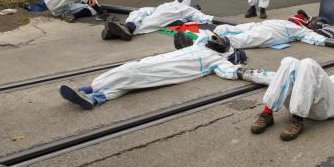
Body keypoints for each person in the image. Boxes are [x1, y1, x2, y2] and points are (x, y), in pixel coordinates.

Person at [59, 34, 271, 109]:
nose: (213, 40)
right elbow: (192, 35)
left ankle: (87, 89)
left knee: (128, 72)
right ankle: (94, 99)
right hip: (157, 63)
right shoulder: (200, 46)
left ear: (225, 50)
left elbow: (232, 73)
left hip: (164, 72)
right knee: (129, 82)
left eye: (218, 41)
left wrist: (251, 73)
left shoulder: (217, 61)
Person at [250, 58, 334, 141]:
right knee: (290, 61)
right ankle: (267, 113)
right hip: (305, 101)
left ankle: (297, 120)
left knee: (308, 64)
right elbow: (284, 78)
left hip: (325, 108)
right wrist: (248, 74)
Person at [100, 0, 211, 40]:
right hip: (160, 11)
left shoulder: (188, 10)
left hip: (162, 12)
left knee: (148, 17)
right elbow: (204, 18)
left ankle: (125, 28)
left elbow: (202, 17)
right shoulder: (187, 9)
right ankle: (126, 27)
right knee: (142, 13)